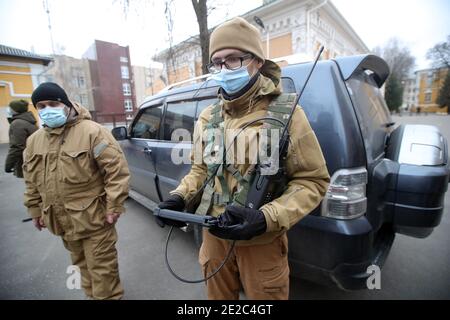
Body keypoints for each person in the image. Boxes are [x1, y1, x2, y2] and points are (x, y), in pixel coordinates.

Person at [157, 17, 330, 300]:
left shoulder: (286, 115)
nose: (224, 69)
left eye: (234, 59)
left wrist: (266, 218)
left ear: (257, 61)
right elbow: (200, 170)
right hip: (213, 236)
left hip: (261, 243)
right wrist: (180, 197)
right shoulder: (208, 117)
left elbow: (312, 181)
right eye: (217, 62)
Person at [23, 82, 130, 300]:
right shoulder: (34, 141)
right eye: (41, 106)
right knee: (82, 268)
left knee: (102, 272)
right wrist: (35, 210)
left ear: (66, 104)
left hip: (96, 220)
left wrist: (115, 205)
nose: (47, 110)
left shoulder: (92, 132)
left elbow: (116, 171)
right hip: (62, 221)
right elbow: (31, 180)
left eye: (53, 103)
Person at [4, 99, 37, 178]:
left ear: (16, 110)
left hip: (26, 161)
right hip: (33, 159)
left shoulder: (17, 123)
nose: (9, 109)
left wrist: (8, 165)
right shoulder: (28, 121)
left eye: (10, 108)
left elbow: (17, 146)